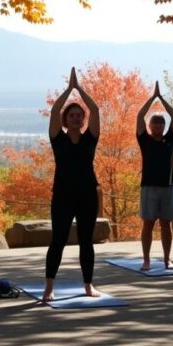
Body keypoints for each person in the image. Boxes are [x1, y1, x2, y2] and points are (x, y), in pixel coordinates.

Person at [43, 67, 101, 301]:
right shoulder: (58, 139)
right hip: (63, 196)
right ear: (65, 120)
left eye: (79, 115)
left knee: (86, 241)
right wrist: (69, 90)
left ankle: (88, 284)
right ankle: (49, 287)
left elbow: (95, 109)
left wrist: (81, 90)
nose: (76, 117)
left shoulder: (90, 138)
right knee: (58, 241)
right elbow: (55, 109)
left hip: (87, 195)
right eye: (72, 115)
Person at [136, 81, 173, 270]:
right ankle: (146, 260)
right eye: (155, 123)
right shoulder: (144, 139)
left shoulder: (170, 139)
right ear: (150, 126)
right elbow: (139, 116)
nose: (158, 125)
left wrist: (162, 99)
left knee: (166, 224)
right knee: (148, 224)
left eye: (161, 123)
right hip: (149, 187)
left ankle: (167, 259)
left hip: (168, 186)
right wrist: (152, 98)